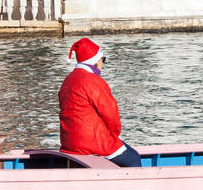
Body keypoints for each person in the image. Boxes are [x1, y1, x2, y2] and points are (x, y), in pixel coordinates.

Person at [59, 38, 142, 167]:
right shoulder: (94, 81)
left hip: (69, 143)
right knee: (133, 158)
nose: (103, 63)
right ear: (96, 61)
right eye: (103, 60)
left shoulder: (68, 80)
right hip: (92, 143)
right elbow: (111, 114)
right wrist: (114, 135)